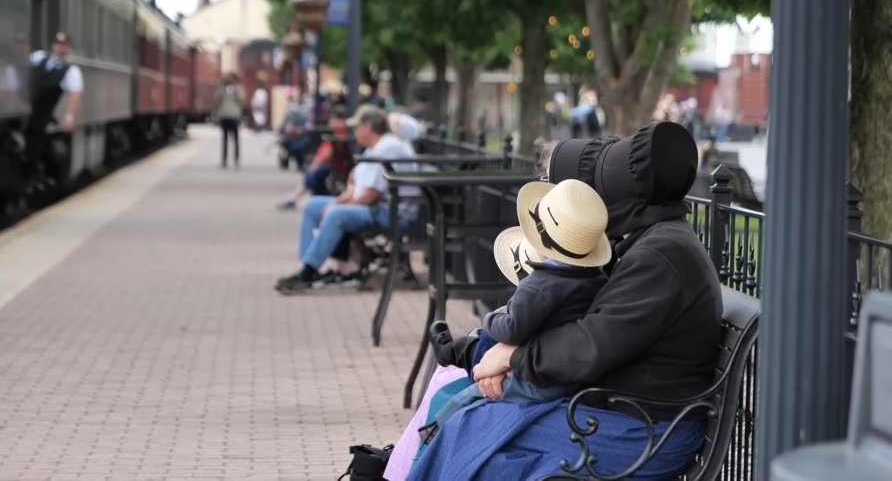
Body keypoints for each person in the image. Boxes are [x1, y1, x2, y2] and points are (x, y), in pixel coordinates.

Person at [402, 123, 723, 481]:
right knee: (467, 421)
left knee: (470, 430)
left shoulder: (661, 253)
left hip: (648, 431)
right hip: (628, 413)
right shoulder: (654, 243)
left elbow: (590, 343)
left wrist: (512, 356)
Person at [425, 178, 611, 435]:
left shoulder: (539, 286)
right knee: (481, 339)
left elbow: (512, 329)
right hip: (567, 369)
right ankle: (454, 351)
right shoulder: (596, 277)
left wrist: (490, 317)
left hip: (538, 379)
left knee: (469, 389)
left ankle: (433, 431)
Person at [274, 105, 419, 294]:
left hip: (392, 213)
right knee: (313, 205)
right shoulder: (375, 148)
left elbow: (371, 194)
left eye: (357, 127)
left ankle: (307, 273)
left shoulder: (387, 148)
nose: (355, 131)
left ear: (368, 127)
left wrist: (337, 207)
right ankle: (308, 263)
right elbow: (356, 188)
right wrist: (335, 203)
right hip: (379, 207)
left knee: (336, 214)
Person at [23, 31, 84, 181]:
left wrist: (69, 117)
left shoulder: (71, 71)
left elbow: (74, 95)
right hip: (25, 107)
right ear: (53, 46)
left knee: (35, 139)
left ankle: (32, 174)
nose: (61, 49)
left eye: (64, 46)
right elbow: (20, 65)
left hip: (43, 112)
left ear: (69, 49)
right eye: (58, 45)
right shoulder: (38, 57)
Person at [277, 104, 347, 210]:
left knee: (312, 173)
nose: (330, 120)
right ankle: (294, 199)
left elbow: (329, 151)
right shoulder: (340, 130)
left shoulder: (340, 130)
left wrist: (315, 164)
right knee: (311, 172)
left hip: (332, 165)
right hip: (331, 165)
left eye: (333, 118)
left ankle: (298, 199)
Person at [214, 73, 245, 168]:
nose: (229, 81)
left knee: (235, 139)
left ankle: (236, 159)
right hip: (224, 116)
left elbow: (241, 99)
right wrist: (220, 87)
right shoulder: (222, 89)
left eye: (231, 79)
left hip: (234, 116)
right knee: (224, 140)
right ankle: (224, 160)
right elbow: (217, 99)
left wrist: (235, 90)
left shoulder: (239, 88)